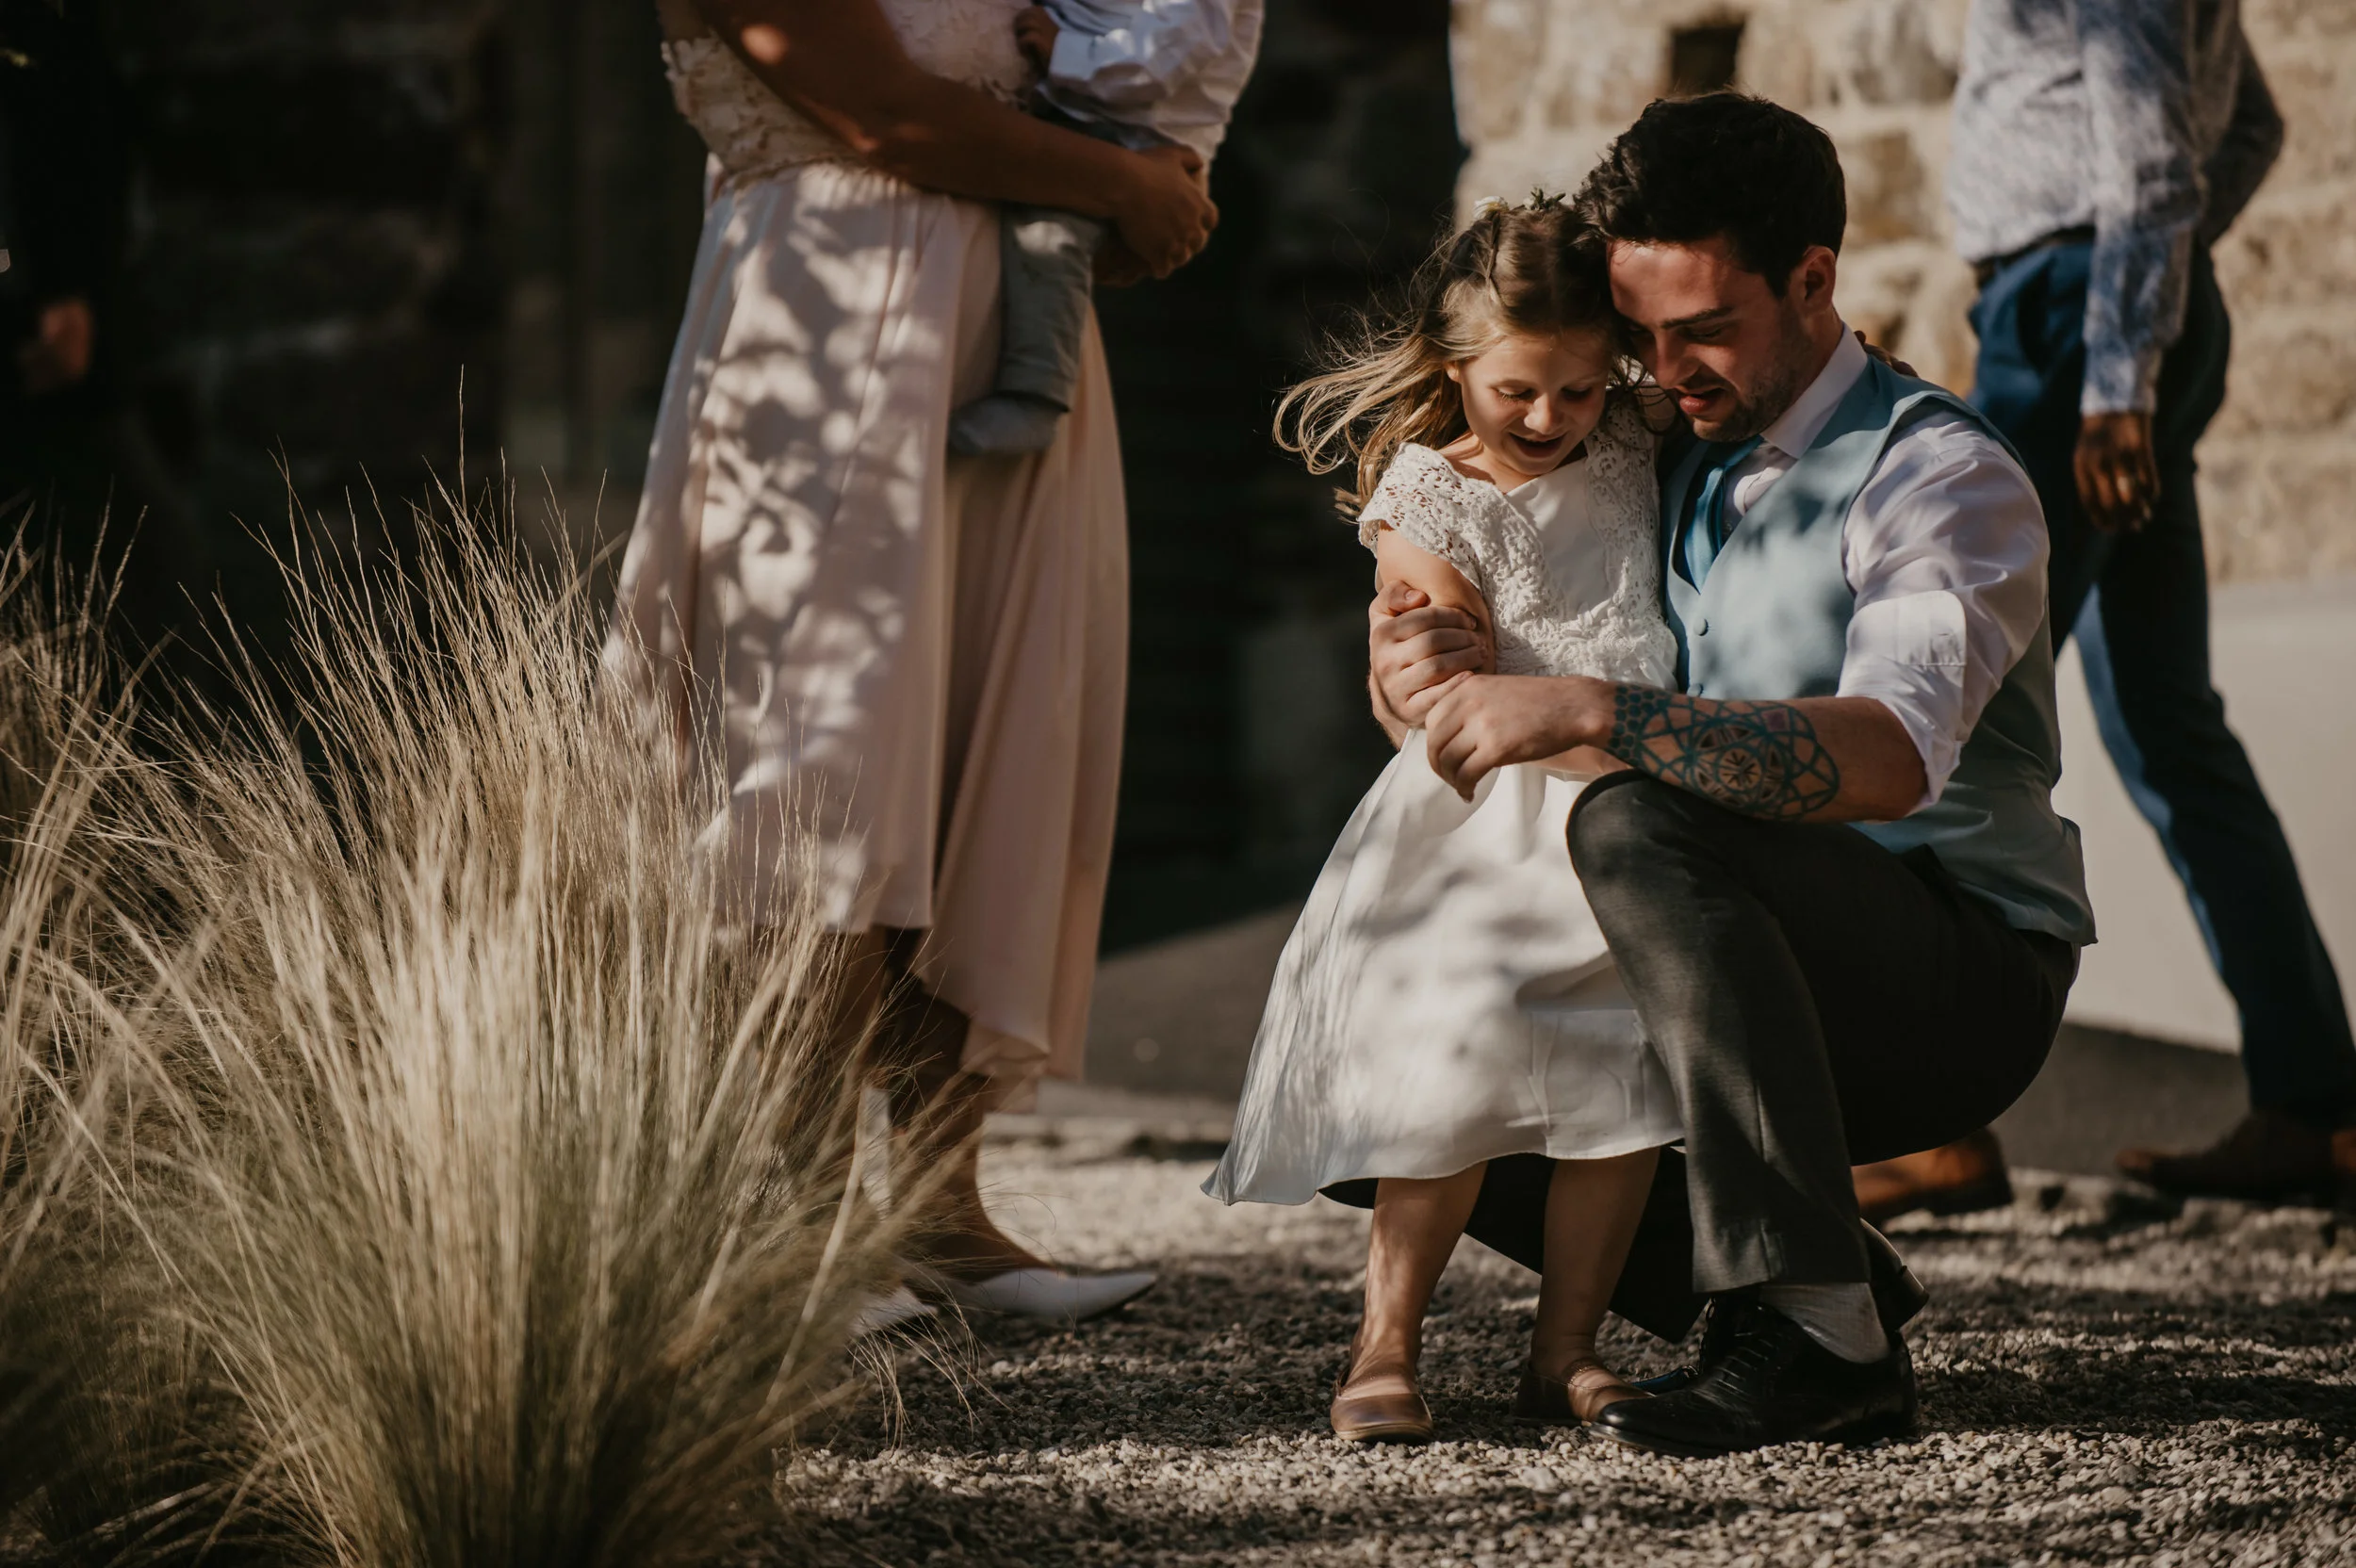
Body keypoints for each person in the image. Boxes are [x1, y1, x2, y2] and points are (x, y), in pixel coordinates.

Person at [1366, 93, 2093, 1456]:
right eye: (1637, 338)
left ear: (1813, 279)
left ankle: (1822, 1332)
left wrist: (1595, 706)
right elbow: (1477, 561)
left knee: (1644, 821)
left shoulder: (1940, 478)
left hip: (1948, 971)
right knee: (1382, 1058)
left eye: (1701, 329)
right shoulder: (1647, 439)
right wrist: (1411, 654)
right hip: (1713, 957)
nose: (1662, 370)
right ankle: (1818, 1258)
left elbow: (1887, 759)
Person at [607, 0, 1218, 1325]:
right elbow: (881, 112)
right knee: (829, 757)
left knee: (986, 739)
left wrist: (1134, 189)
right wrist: (1118, 182)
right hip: (825, 337)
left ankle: (942, 1211)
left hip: (1010, 335)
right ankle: (793, 1220)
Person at [1864, 0, 2356, 1217]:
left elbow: (2154, 144)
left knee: (1943, 703)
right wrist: (2158, 280)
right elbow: (2249, 130)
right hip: (2110, 312)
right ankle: (2316, 1107)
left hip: (2073, 323)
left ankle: (1936, 1128)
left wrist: (2118, 366)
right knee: (2166, 722)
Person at [1204, 196, 1682, 1444]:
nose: (1548, 419)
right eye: (1519, 389)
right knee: (1450, 1063)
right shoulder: (1432, 498)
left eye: (1579, 392)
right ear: (1456, 363)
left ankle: (1565, 1350)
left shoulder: (1635, 441)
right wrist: (1405, 670)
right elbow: (1435, 684)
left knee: (1620, 1084)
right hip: (1489, 818)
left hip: (1631, 802)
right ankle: (1385, 1342)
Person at [950, 0, 1264, 454]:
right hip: (1078, 109)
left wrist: (1065, 52)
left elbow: (1163, 56)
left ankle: (1035, 396)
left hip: (1134, 139)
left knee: (1048, 238)